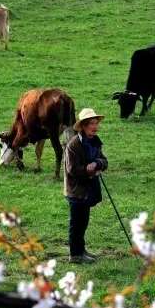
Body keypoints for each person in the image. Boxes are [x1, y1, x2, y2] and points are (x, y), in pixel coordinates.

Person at [63, 108, 108, 264]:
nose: (94, 127)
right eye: (90, 124)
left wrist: (97, 163)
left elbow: (104, 161)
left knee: (84, 222)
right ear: (82, 126)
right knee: (76, 224)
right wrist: (88, 171)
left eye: (96, 123)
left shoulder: (95, 141)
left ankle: (81, 250)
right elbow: (72, 170)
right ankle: (75, 255)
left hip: (87, 190)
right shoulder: (73, 145)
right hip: (76, 191)